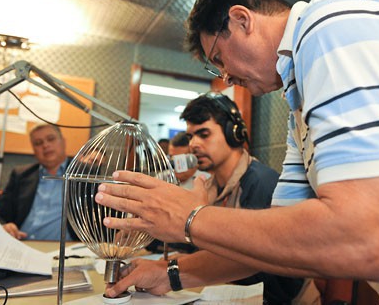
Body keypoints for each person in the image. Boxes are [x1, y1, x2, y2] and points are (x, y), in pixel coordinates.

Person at [95, 0, 379, 304]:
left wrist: (189, 218)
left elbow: (367, 239)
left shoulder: (330, 24)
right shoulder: (299, 104)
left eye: (219, 59)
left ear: (241, 20)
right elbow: (276, 239)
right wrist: (170, 273)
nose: (225, 78)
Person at [112, 93, 304, 303]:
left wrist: (174, 270)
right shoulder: (207, 186)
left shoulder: (262, 183)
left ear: (234, 134)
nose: (194, 144)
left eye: (204, 134)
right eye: (191, 136)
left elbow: (254, 261)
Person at [0, 123, 77, 241]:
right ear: (34, 150)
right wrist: (3, 227)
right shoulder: (21, 175)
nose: (45, 145)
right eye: (38, 143)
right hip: (21, 245)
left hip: (65, 251)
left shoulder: (86, 174)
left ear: (63, 142)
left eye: (51, 139)